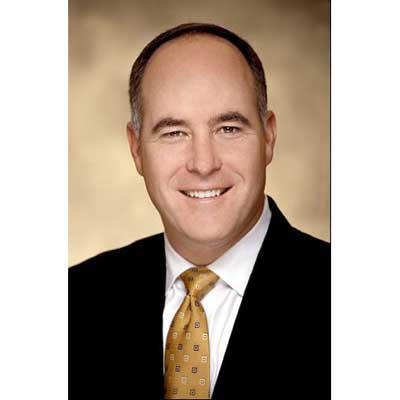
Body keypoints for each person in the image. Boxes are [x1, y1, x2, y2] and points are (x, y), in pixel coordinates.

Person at [69, 23, 330, 400]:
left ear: (269, 137)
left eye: (228, 128)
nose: (203, 163)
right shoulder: (71, 303)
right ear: (136, 149)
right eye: (174, 132)